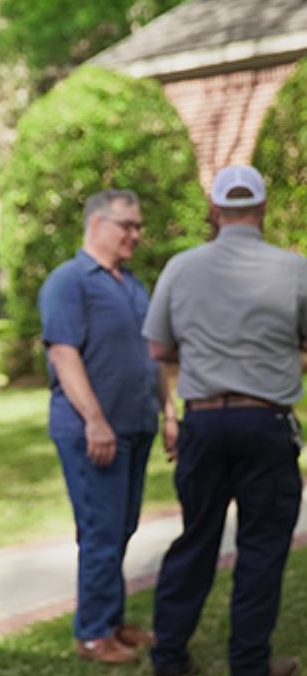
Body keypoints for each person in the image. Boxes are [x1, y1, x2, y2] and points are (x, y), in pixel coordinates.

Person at [143, 164, 306, 676]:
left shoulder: (180, 267)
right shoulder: (295, 268)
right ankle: (249, 666)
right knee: (261, 550)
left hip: (204, 424)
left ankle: (169, 660)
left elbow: (158, 347)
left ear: (215, 211)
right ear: (261, 210)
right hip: (266, 424)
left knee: (196, 541)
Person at [39, 189, 177, 664]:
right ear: (97, 224)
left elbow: (154, 355)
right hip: (93, 433)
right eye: (128, 226)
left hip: (136, 425)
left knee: (121, 528)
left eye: (138, 226)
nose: (136, 235)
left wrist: (170, 412)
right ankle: (94, 633)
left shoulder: (131, 284)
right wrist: (95, 421)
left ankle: (112, 619)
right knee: (101, 531)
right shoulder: (69, 281)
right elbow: (63, 353)